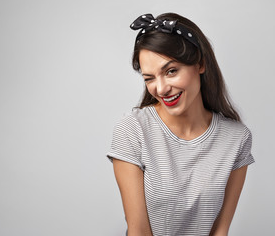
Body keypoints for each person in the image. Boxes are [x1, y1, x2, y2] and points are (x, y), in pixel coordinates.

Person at [106, 13, 255, 236]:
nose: (161, 88)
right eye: (149, 78)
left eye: (171, 71)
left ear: (200, 63)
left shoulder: (237, 138)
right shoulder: (133, 129)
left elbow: (220, 231)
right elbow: (138, 231)